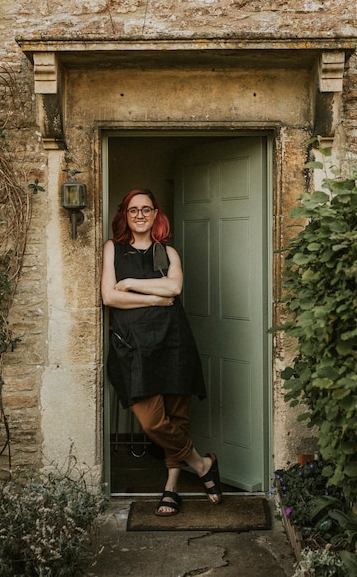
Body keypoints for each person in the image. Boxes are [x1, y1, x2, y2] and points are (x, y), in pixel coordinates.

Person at [101, 188, 222, 516]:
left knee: (177, 417)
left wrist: (130, 284)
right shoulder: (113, 249)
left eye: (146, 209)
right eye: (133, 210)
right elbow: (110, 298)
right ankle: (201, 464)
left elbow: (175, 288)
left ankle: (171, 488)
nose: (139, 215)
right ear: (125, 215)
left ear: (156, 215)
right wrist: (153, 297)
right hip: (133, 348)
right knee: (153, 422)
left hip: (172, 342)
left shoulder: (167, 253)